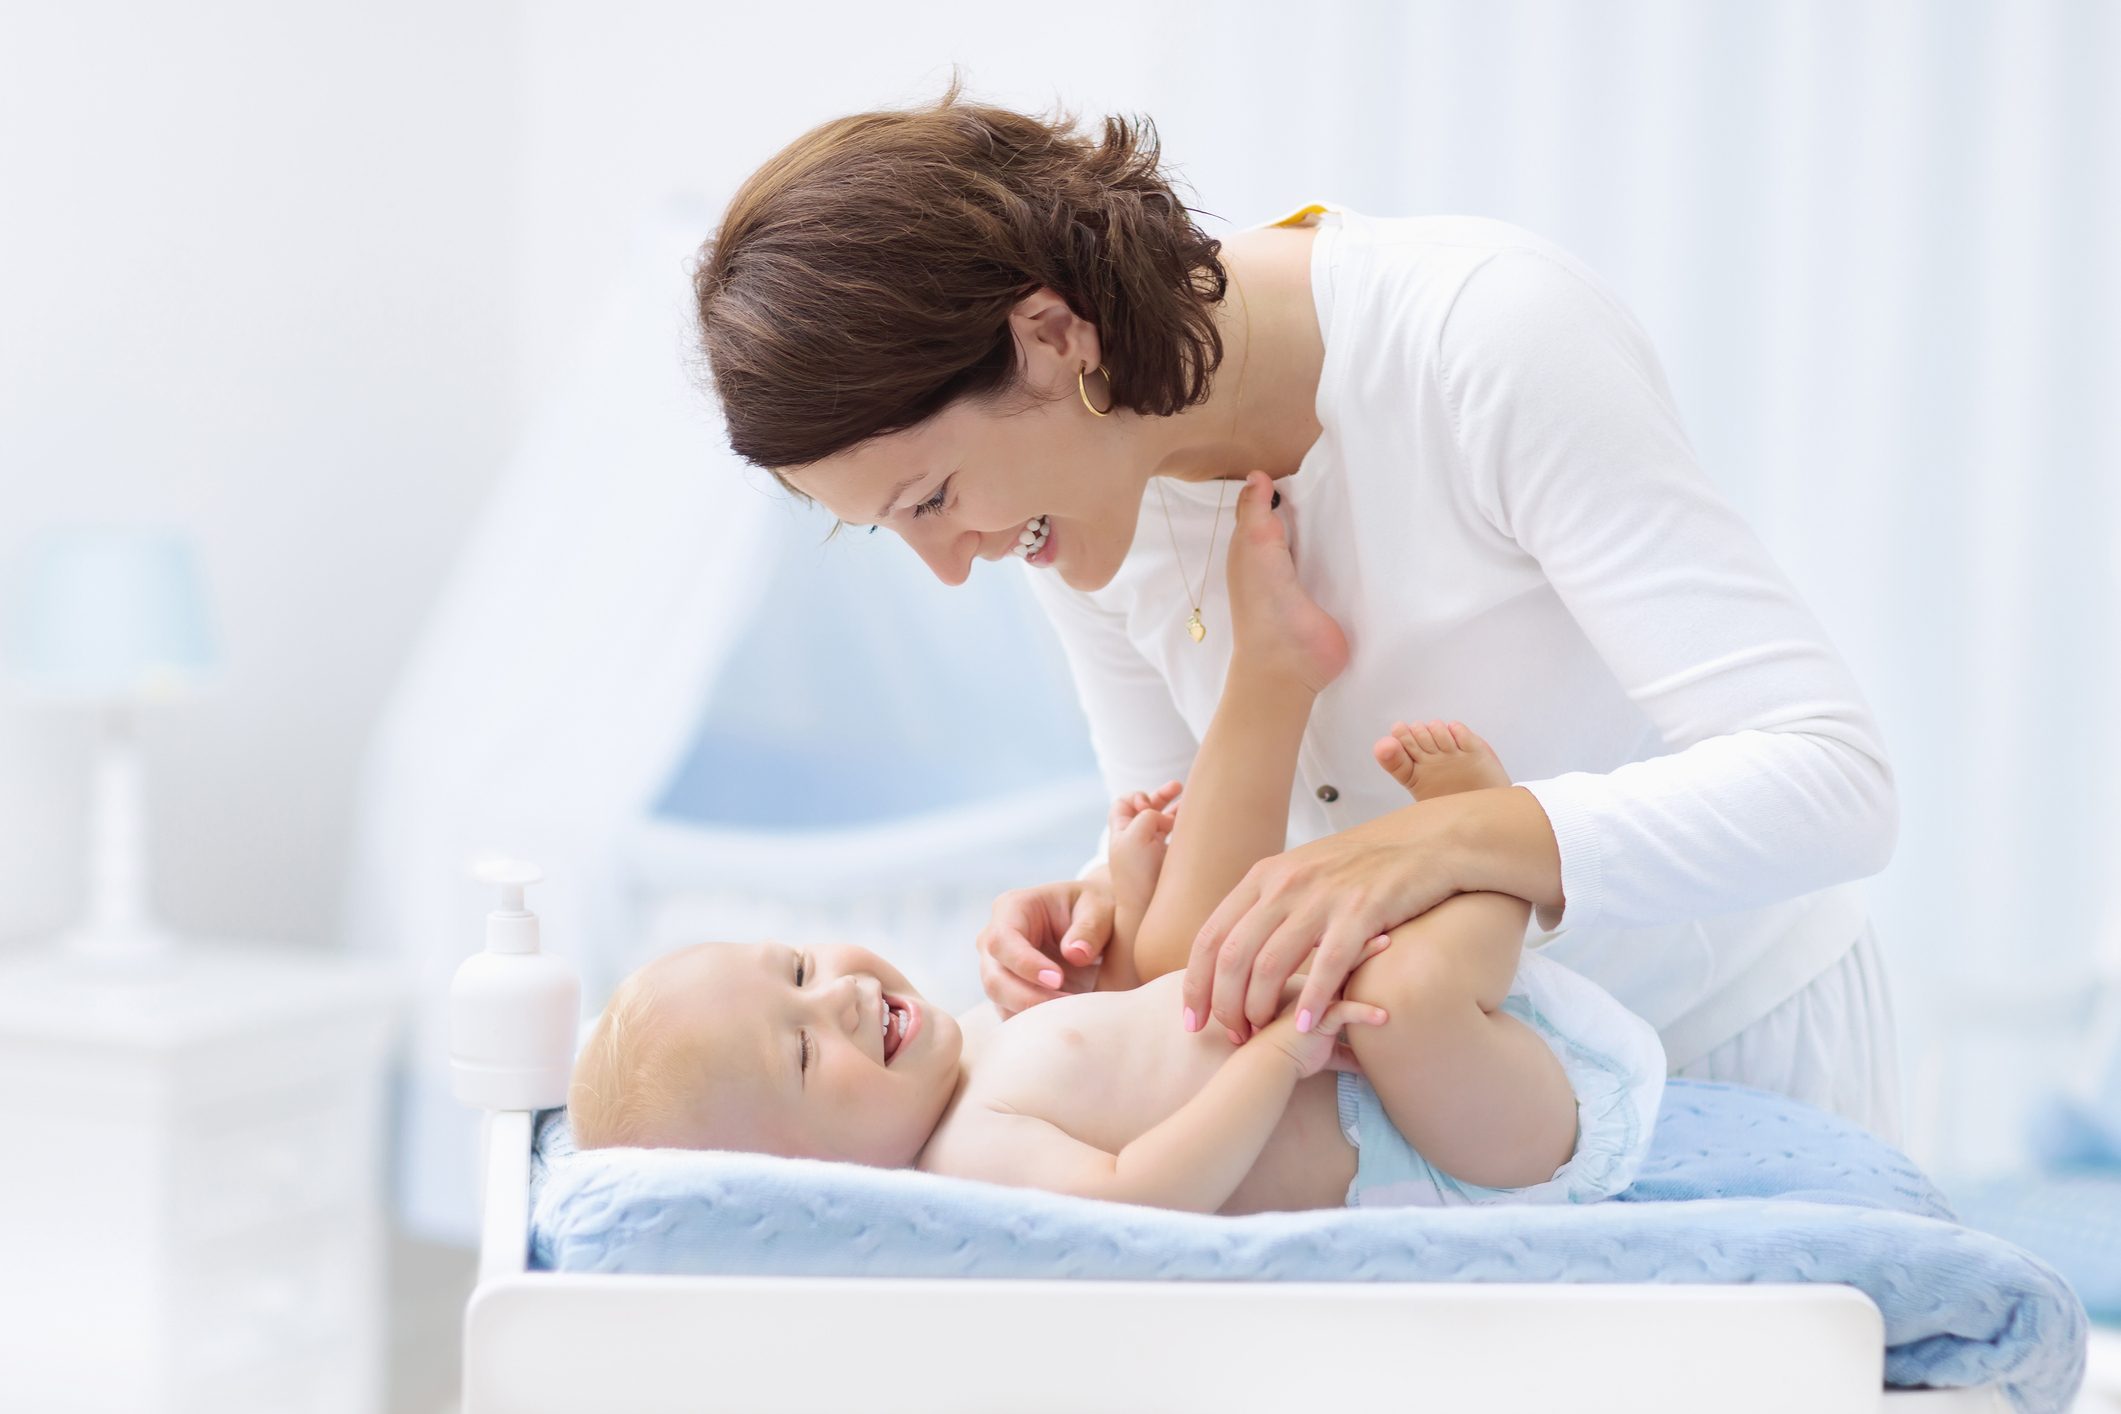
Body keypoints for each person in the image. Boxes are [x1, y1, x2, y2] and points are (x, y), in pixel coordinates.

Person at [690, 76, 1901, 1139]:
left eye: (933, 498)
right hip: (1449, 1133)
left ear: (1049, 336)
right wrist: (1109, 902)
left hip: (1724, 1047)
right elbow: (1198, 825)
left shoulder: (1483, 341)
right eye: (895, 524)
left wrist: (1436, 843)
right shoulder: (1077, 495)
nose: (952, 567)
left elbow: (1834, 783)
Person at [567, 477, 1665, 1214]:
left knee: (1188, 948)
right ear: (809, 1183)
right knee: (1404, 990)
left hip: (1381, 1067)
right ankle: (1481, 843)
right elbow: (1139, 1192)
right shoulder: (969, 1159)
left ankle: (1280, 678)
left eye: (801, 970)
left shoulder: (970, 1051)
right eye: (803, 1055)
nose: (840, 1001)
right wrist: (1269, 1063)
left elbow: (1131, 1024)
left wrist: (1123, 904)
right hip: (1457, 1138)